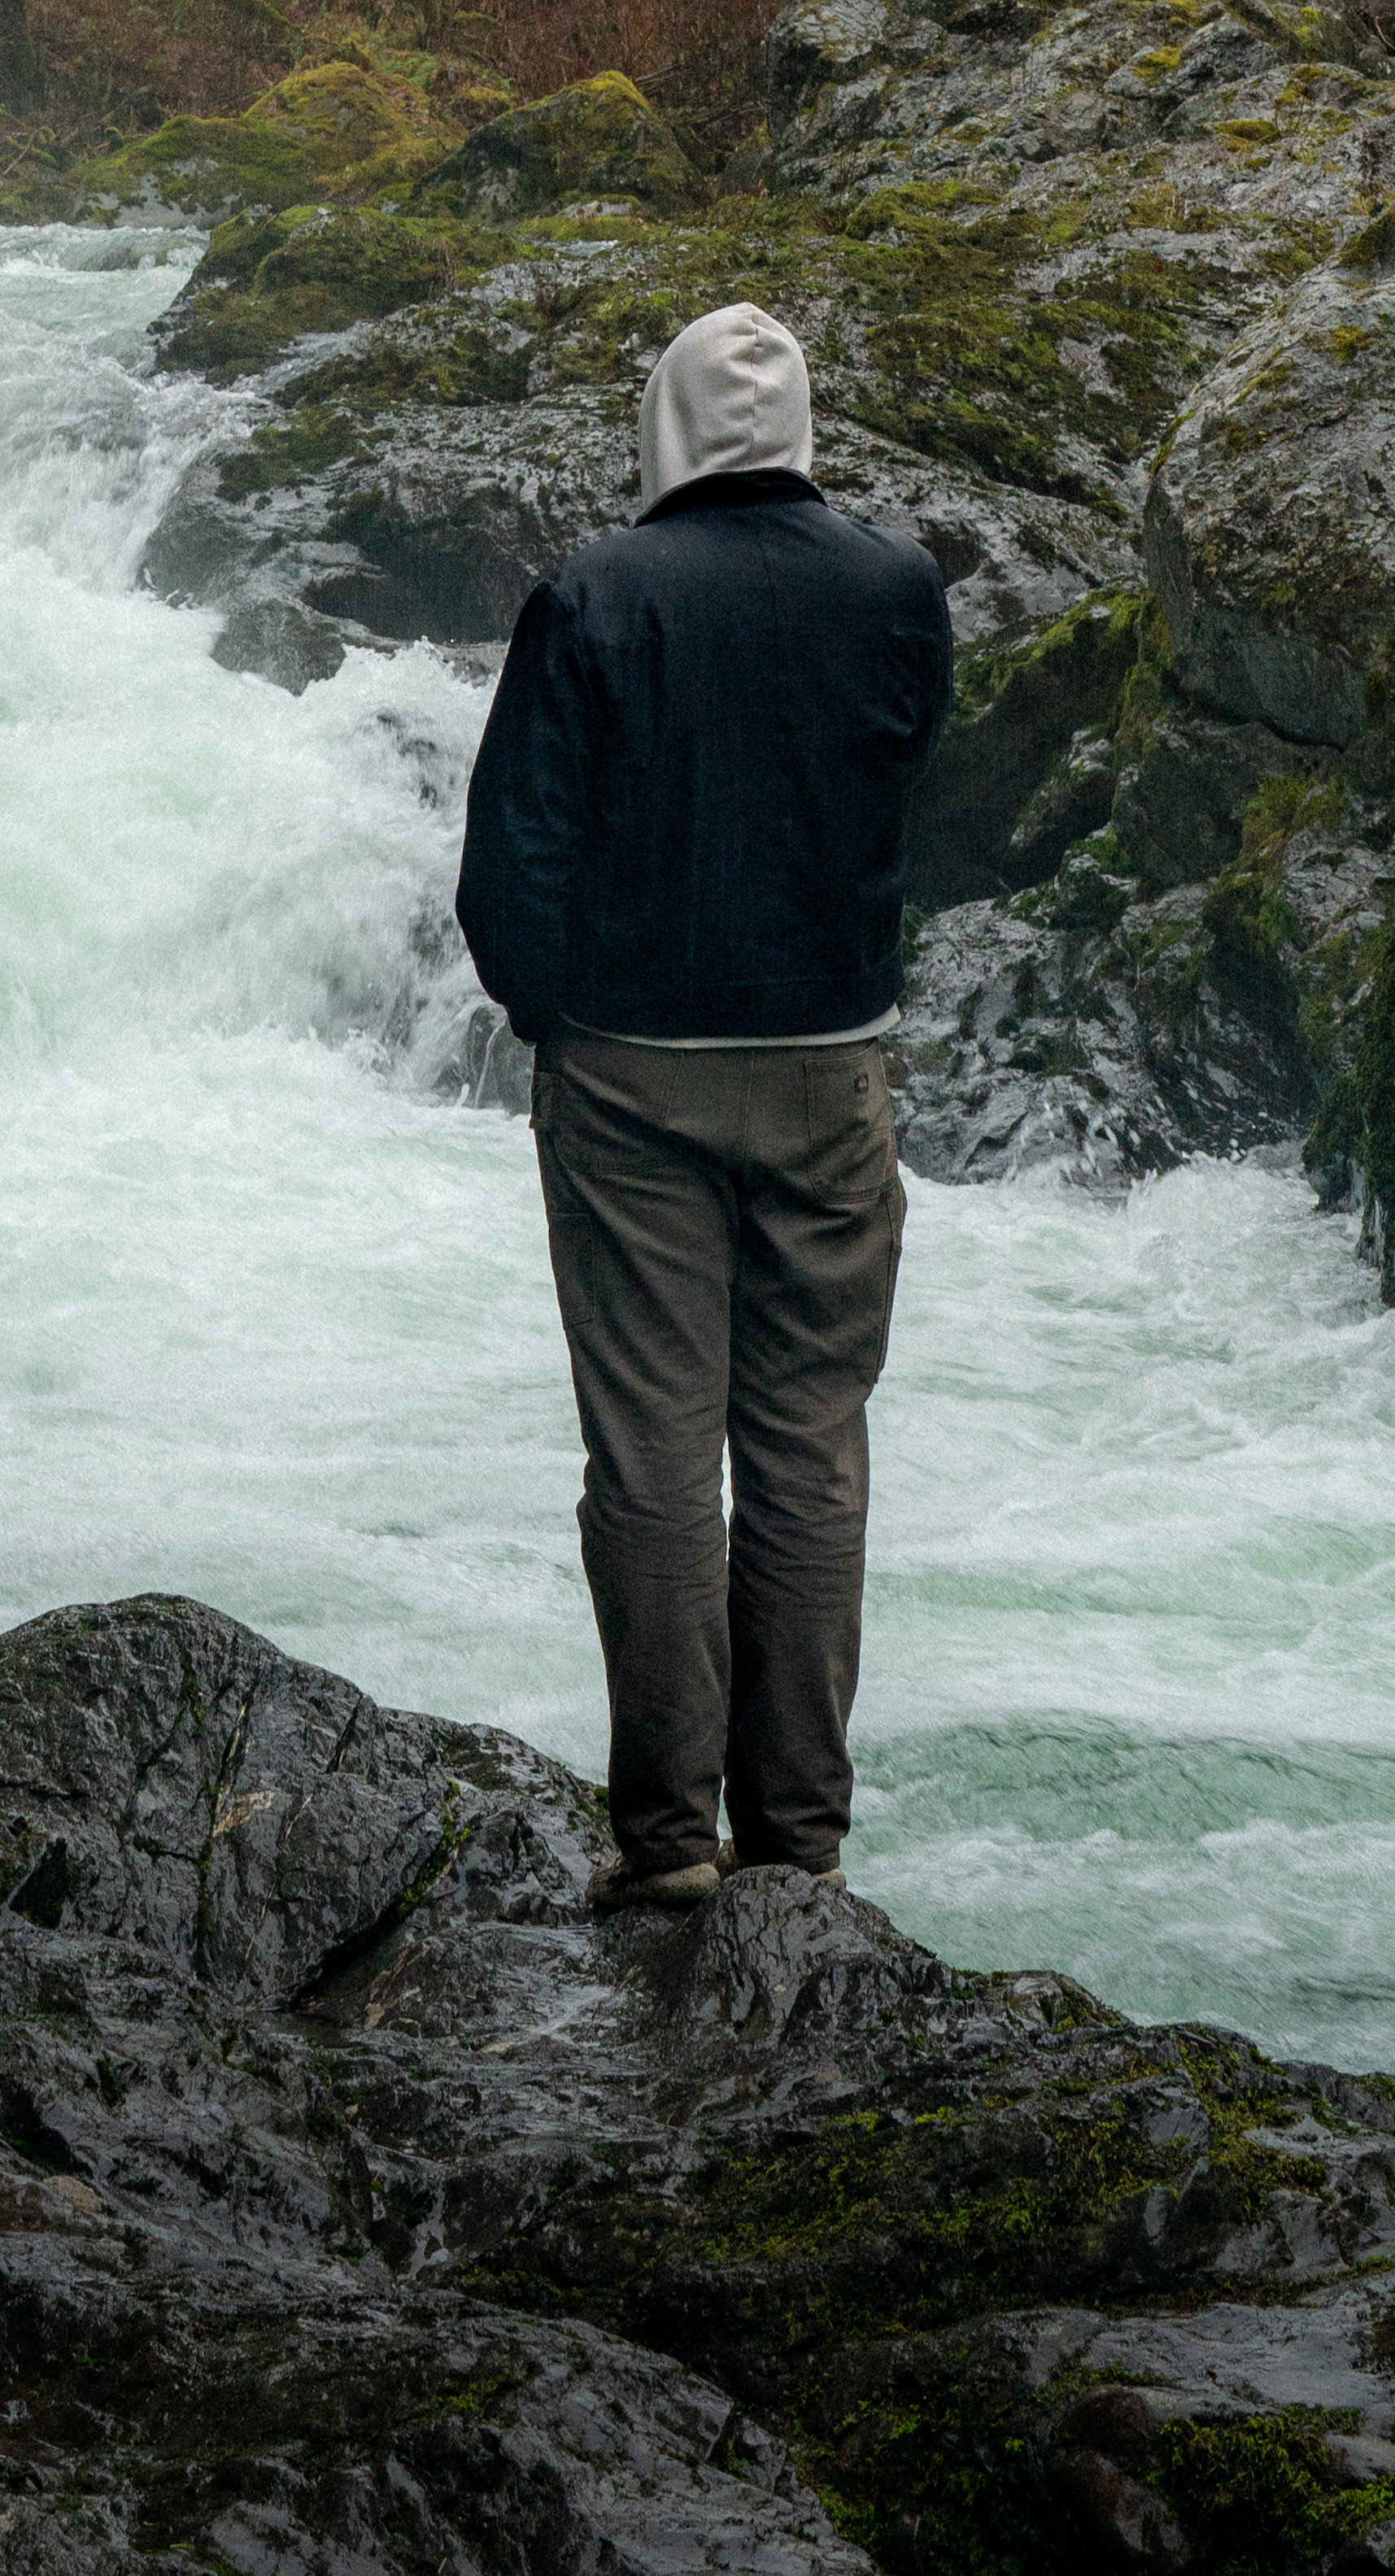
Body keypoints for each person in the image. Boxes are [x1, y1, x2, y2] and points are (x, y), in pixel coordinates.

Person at [455, 299, 953, 1912]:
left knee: (654, 1462)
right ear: (799, 427)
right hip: (829, 1066)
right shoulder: (898, 586)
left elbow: (509, 859)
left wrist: (555, 1016)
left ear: (663, 425)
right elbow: (900, 786)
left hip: (630, 1069)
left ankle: (669, 1844)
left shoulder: (592, 594)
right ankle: (798, 1848)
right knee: (808, 1451)